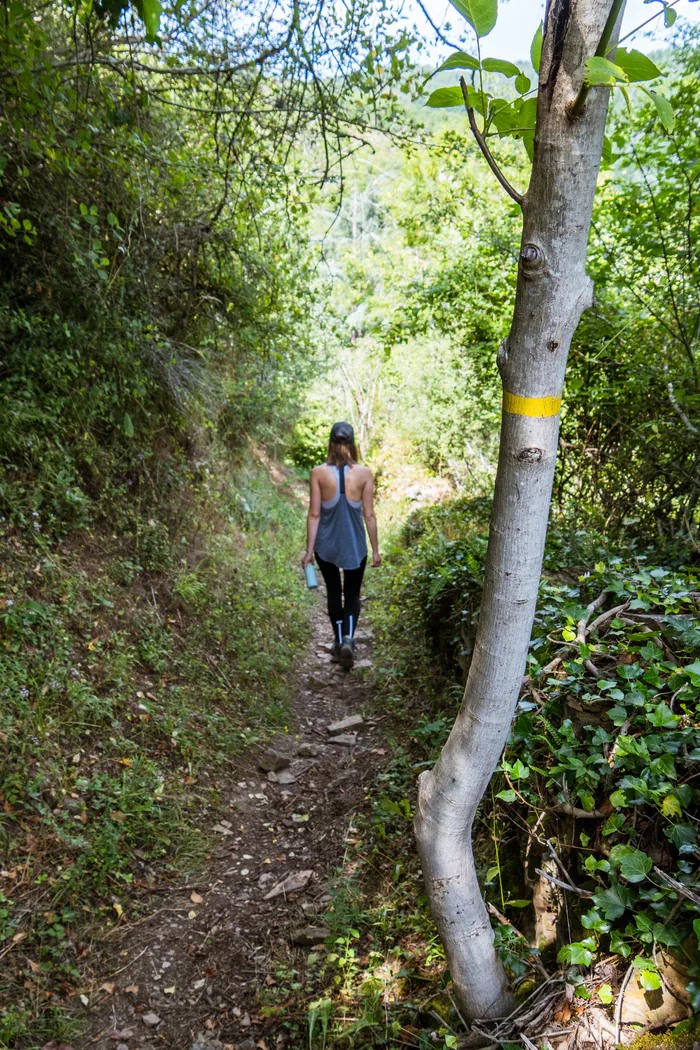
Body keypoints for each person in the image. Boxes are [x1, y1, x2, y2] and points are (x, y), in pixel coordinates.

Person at [301, 421, 380, 669]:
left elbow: (314, 514)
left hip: (326, 547)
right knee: (353, 593)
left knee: (335, 592)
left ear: (331, 443)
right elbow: (369, 515)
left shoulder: (318, 473)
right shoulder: (365, 473)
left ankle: (337, 640)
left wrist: (308, 551)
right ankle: (348, 638)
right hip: (355, 546)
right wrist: (376, 549)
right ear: (352, 443)